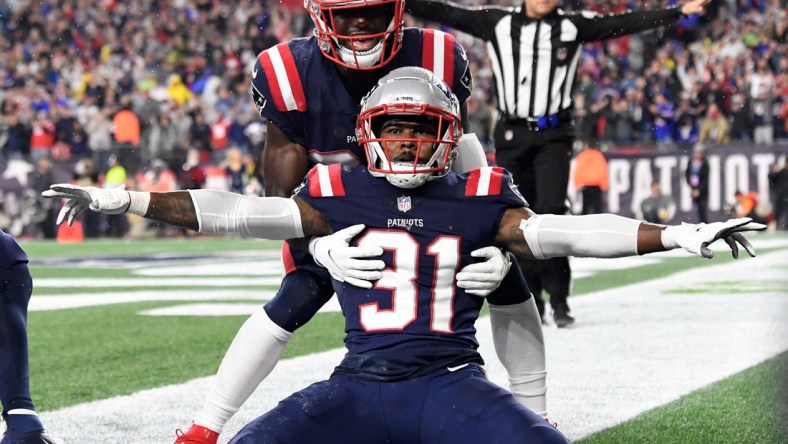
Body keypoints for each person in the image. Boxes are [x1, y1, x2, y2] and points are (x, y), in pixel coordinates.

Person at [43, 69, 764, 444]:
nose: (411, 143)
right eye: (397, 130)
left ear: (449, 135)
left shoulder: (481, 194)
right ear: (367, 133)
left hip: (449, 381)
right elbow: (242, 211)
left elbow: (563, 233)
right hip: (355, 383)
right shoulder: (334, 190)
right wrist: (129, 200)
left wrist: (673, 234)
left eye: (424, 132)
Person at [184, 1, 545, 440]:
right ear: (321, 15)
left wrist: (486, 231)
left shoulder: (436, 54)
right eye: (348, 11)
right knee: (295, 297)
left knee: (500, 278)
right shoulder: (288, 70)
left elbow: (457, 152)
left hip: (427, 206)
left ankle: (528, 409)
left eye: (373, 9)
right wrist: (317, 246)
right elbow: (283, 205)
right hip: (342, 220)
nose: (360, 22)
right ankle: (207, 425)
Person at [405, 0, 712, 328]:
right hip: (512, 133)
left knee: (551, 211)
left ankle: (560, 300)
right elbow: (448, 12)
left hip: (554, 135)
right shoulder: (498, 22)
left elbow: (624, 22)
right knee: (516, 217)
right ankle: (532, 299)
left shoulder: (572, 25)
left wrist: (677, 12)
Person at [0, 229, 62, 444]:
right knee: (21, 414)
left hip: (5, 272)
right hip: (9, 268)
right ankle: (23, 423)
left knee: (21, 417)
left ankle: (23, 424)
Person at [572, 145, 608, 215]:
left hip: (585, 186)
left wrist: (577, 185)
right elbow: (603, 170)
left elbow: (578, 171)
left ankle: (584, 224)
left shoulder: (582, 156)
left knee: (585, 209)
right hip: (596, 186)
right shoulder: (598, 156)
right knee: (597, 209)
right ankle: (598, 224)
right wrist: (604, 185)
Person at [686, 146, 710, 223]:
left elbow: (705, 179)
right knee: (697, 210)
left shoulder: (705, 164)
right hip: (694, 189)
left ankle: (703, 224)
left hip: (702, 191)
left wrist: (699, 189)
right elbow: (687, 173)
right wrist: (691, 186)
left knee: (702, 209)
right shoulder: (691, 162)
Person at [768, 154, 788, 230]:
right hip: (782, 197)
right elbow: (771, 178)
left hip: (782, 196)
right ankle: (779, 226)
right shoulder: (781, 172)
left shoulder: (782, 172)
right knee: (778, 214)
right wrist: (775, 172)